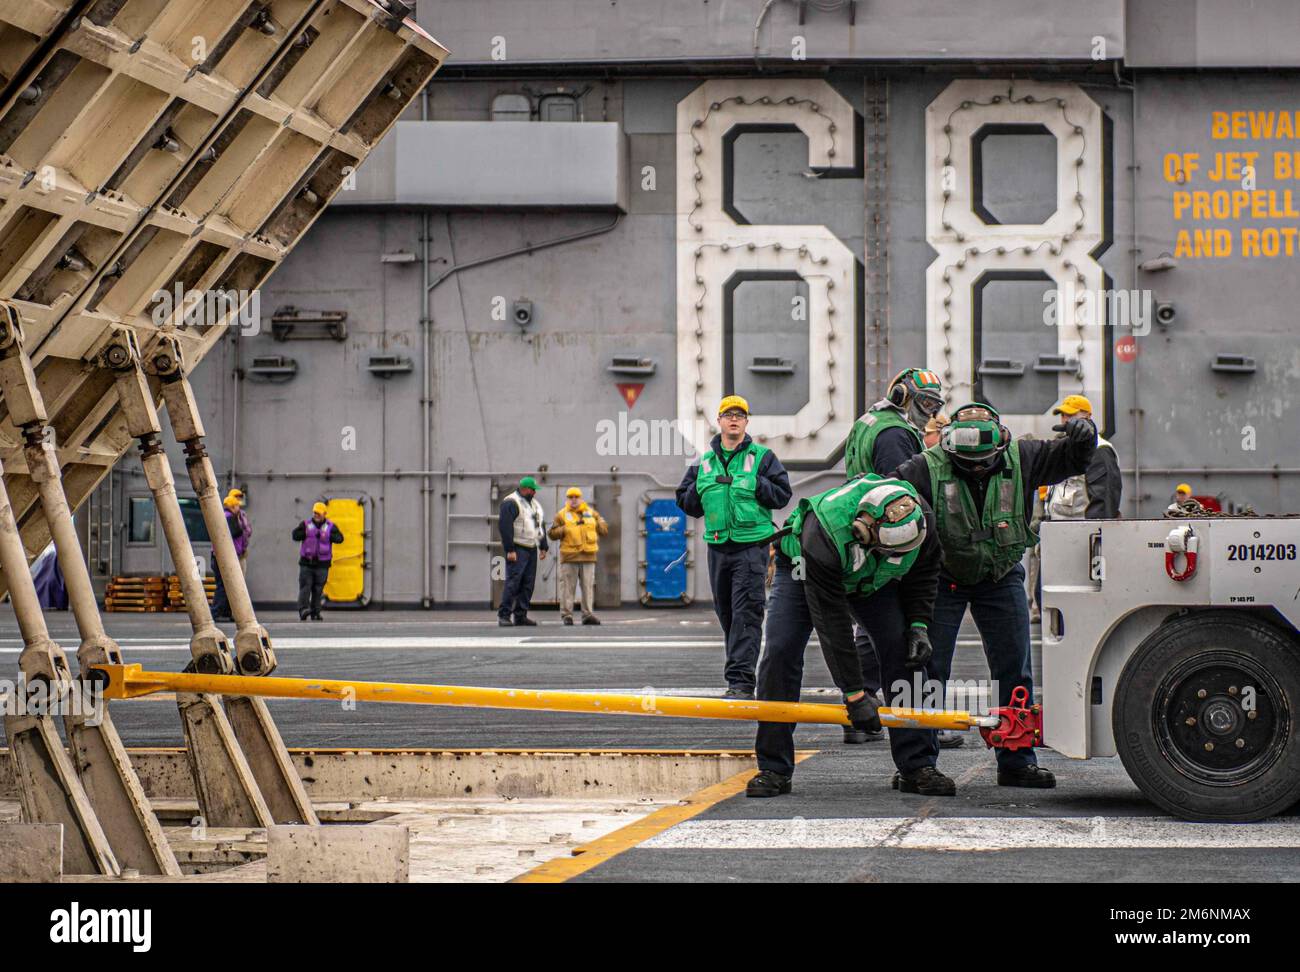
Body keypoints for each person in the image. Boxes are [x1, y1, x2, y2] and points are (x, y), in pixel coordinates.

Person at [889, 402, 1097, 790]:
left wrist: (1085, 435)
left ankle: (1016, 759)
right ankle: (916, 766)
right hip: (941, 577)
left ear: (1000, 447)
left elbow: (1072, 457)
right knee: (926, 670)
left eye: (985, 463)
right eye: (967, 464)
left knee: (1015, 667)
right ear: (950, 450)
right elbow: (887, 496)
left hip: (1000, 575)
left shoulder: (1025, 456)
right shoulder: (922, 468)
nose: (977, 470)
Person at [748, 475, 952, 798]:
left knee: (905, 652)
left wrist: (919, 625)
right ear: (866, 532)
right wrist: (856, 695)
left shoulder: (920, 518)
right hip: (804, 571)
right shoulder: (823, 534)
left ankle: (917, 765)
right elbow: (833, 626)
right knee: (780, 652)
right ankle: (773, 768)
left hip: (869, 579)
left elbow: (924, 571)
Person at [841, 368, 945, 745]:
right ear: (903, 396)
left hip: (866, 534)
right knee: (903, 637)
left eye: (935, 405)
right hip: (890, 536)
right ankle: (919, 723)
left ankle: (862, 707)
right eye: (925, 402)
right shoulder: (896, 433)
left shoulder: (869, 422)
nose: (929, 412)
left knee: (873, 631)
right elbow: (898, 493)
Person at [676, 395, 792, 699]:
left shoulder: (762, 457)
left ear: (746, 421)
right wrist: (703, 490)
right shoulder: (704, 461)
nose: (734, 419)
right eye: (729, 415)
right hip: (718, 547)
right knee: (726, 613)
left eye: (740, 415)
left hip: (751, 548)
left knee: (746, 613)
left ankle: (740, 682)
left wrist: (755, 485)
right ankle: (739, 675)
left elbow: (782, 495)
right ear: (720, 421)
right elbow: (685, 499)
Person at [1043, 395, 1122, 520]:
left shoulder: (1100, 450)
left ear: (1088, 416)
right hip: (1056, 529)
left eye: (1071, 415)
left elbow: (1104, 502)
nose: (1065, 420)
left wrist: (1093, 532)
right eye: (1063, 415)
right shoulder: (1063, 447)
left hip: (1081, 532)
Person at [548, 487, 608, 626]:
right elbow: (551, 534)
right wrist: (565, 529)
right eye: (571, 497)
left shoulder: (591, 513)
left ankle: (587, 615)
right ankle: (567, 615)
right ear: (567, 499)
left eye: (576, 497)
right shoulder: (561, 515)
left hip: (588, 557)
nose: (574, 500)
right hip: (569, 557)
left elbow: (604, 530)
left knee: (588, 588)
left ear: (581, 499)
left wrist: (600, 522)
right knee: (567, 588)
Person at [498, 475, 548, 627]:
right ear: (525, 489)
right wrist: (510, 549)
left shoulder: (534, 505)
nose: (535, 493)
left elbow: (540, 525)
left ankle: (520, 616)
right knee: (513, 583)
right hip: (518, 548)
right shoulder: (511, 502)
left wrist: (543, 546)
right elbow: (505, 527)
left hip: (531, 549)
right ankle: (504, 615)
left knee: (528, 584)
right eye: (533, 490)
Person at [292, 502, 342, 621]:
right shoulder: (306, 525)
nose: (316, 515)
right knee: (305, 587)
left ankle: (315, 612)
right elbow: (295, 535)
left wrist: (329, 536)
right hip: (306, 563)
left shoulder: (330, 527)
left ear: (324, 514)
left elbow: (340, 538)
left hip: (322, 564)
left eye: (319, 513)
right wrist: (305, 533)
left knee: (318, 589)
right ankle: (303, 610)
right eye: (315, 513)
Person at [211, 496, 246, 622]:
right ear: (232, 506)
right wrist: (240, 523)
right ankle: (216, 612)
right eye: (237, 506)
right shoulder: (229, 518)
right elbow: (236, 532)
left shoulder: (223, 516)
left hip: (221, 556)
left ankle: (224, 612)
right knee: (223, 585)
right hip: (224, 557)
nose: (239, 508)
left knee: (226, 585)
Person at [226, 489, 252, 574]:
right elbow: (236, 532)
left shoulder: (242, 514)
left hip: (241, 551)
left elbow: (248, 531)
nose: (238, 500)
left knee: (241, 576)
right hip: (230, 552)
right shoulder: (228, 516)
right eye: (236, 497)